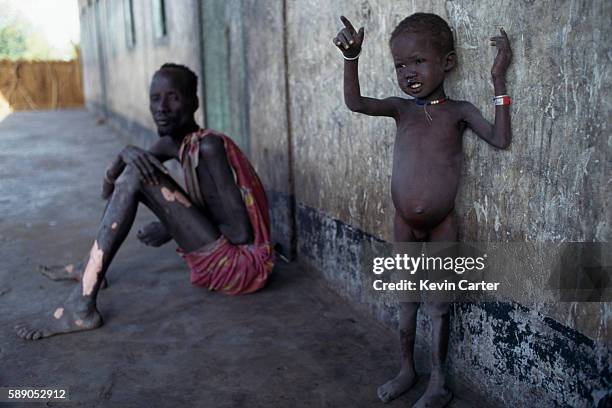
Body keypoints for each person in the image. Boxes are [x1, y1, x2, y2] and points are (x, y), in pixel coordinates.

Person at [15, 63, 274, 340]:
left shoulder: (209, 147)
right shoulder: (171, 145)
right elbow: (113, 190)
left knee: (138, 173)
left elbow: (241, 232)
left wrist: (170, 228)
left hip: (240, 268)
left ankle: (81, 305)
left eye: (173, 97)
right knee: (136, 170)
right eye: (154, 98)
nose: (161, 107)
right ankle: (89, 271)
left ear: (194, 102)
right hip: (218, 258)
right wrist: (122, 156)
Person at [333, 13, 512, 407]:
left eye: (418, 61)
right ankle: (405, 370)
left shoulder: (458, 112)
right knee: (406, 303)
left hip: (442, 224)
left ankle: (439, 382)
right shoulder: (401, 109)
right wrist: (351, 59)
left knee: (438, 308)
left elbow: (500, 138)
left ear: (447, 63)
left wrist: (498, 80)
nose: (408, 72)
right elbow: (355, 103)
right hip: (403, 223)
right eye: (400, 65)